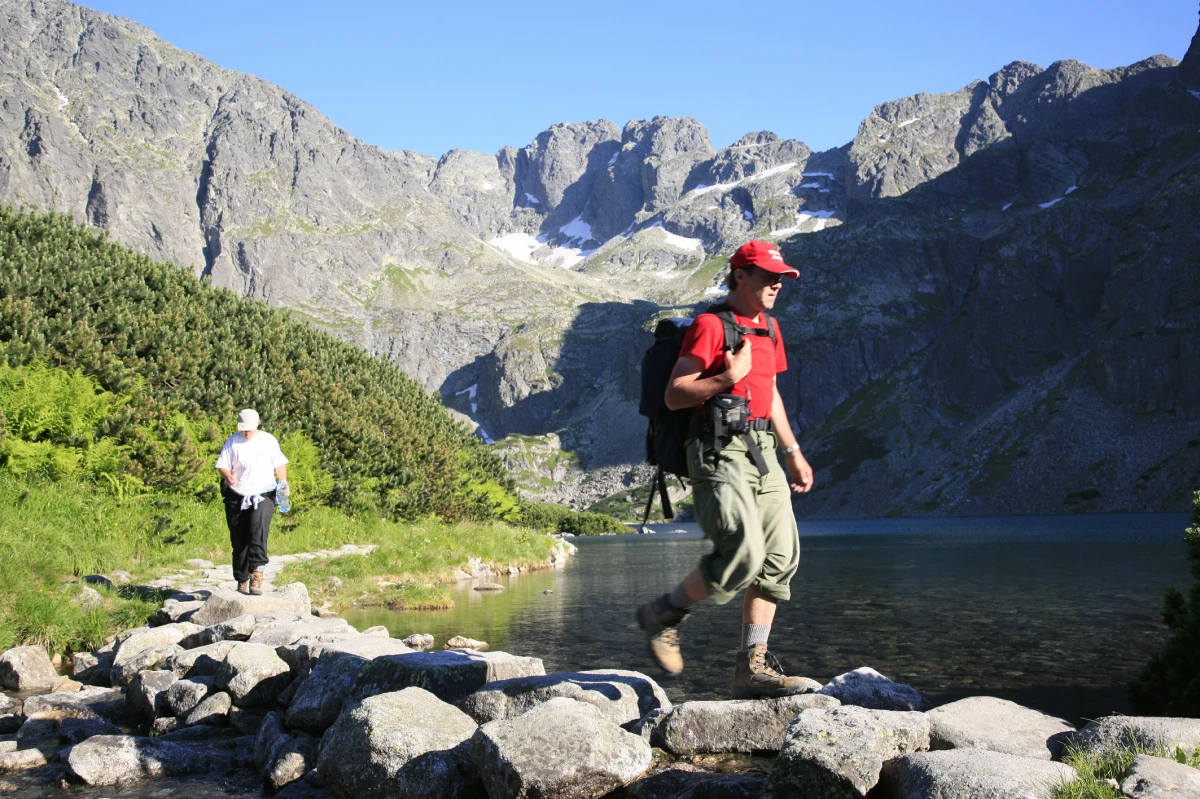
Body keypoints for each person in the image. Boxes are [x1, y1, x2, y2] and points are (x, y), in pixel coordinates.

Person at [636, 240, 815, 699]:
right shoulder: (710, 326)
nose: (778, 283)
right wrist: (724, 379)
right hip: (718, 448)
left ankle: (751, 666)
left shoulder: (770, 328)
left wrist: (793, 450)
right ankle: (664, 613)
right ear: (741, 276)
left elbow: (770, 392)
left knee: (779, 558)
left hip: (765, 450)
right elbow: (675, 394)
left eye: (782, 277)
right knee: (742, 552)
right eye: (768, 276)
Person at [215, 409, 289, 595]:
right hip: (237, 494)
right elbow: (222, 464)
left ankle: (257, 573)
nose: (246, 432)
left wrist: (283, 482)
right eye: (243, 429)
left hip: (263, 493)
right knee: (239, 539)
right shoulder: (233, 441)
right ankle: (242, 578)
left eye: (249, 429)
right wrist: (228, 476)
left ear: (257, 424)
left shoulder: (268, 440)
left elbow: (279, 464)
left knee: (258, 531)